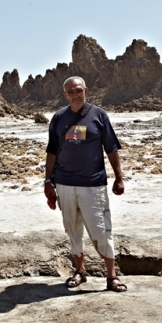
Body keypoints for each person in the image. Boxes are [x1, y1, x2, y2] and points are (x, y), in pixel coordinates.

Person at [44, 76, 127, 292]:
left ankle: (112, 276)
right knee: (73, 229)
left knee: (101, 230)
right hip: (64, 184)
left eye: (78, 90)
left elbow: (111, 148)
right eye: (70, 92)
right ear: (65, 95)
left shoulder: (99, 115)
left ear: (86, 91)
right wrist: (47, 182)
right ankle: (80, 271)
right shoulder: (58, 118)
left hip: (93, 184)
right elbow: (52, 151)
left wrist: (119, 177)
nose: (75, 94)